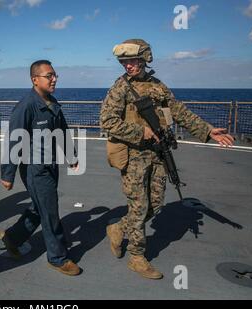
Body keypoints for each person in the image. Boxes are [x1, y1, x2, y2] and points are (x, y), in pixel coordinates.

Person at [100, 39, 234, 279]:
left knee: (156, 205)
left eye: (131, 61)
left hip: (158, 155)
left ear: (144, 59)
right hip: (133, 157)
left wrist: (207, 130)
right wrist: (141, 132)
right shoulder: (120, 88)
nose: (127, 66)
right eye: (124, 62)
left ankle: (118, 227)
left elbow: (180, 112)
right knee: (139, 208)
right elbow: (107, 121)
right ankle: (137, 256)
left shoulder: (158, 86)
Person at [0, 60, 81, 276]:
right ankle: (58, 257)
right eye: (49, 76)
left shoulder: (52, 102)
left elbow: (62, 131)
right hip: (35, 169)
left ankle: (13, 237)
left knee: (39, 208)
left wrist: (71, 155)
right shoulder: (26, 105)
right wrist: (8, 174)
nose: (54, 79)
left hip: (51, 165)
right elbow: (15, 140)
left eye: (55, 75)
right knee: (50, 213)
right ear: (35, 80)